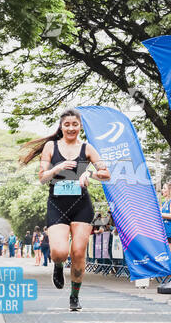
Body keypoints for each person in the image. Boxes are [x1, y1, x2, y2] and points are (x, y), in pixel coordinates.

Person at [20, 108, 110, 311]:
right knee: (59, 252)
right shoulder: (51, 147)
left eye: (75, 124)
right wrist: (57, 168)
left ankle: (74, 296)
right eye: (67, 124)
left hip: (81, 206)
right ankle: (59, 266)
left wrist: (90, 175)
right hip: (57, 204)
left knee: (78, 252)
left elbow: (106, 173)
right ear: (61, 126)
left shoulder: (87, 148)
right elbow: (42, 177)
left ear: (80, 127)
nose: (71, 128)